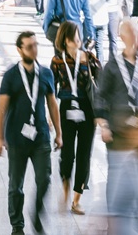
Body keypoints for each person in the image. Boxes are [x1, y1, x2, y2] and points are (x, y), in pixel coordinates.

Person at [0, 31, 62, 235]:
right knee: (16, 185)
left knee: (45, 179)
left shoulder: (46, 73)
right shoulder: (11, 75)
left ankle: (37, 213)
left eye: (35, 45)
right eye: (29, 46)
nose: (34, 49)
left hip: (40, 135)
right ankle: (17, 225)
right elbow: (2, 108)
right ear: (19, 50)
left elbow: (52, 104)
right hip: (16, 138)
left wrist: (59, 134)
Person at [95, 19, 138, 234]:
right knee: (117, 176)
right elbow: (100, 97)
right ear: (122, 37)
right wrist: (103, 125)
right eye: (133, 33)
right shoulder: (112, 66)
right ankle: (114, 220)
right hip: (118, 133)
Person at [50, 21, 99, 216]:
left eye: (78, 36)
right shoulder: (57, 61)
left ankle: (77, 199)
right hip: (66, 109)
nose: (78, 41)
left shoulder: (89, 58)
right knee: (67, 153)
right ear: (65, 40)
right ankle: (65, 191)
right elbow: (50, 89)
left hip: (87, 109)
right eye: (73, 37)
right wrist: (49, 114)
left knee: (84, 154)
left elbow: (100, 87)